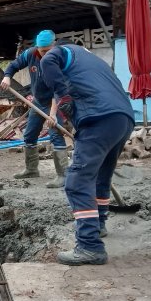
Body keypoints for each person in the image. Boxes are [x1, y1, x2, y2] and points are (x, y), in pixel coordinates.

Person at [38, 41, 134, 266]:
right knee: (101, 177)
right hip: (123, 118)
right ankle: (98, 224)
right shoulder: (93, 62)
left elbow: (47, 60)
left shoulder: (61, 52)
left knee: (77, 182)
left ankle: (89, 246)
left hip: (98, 118)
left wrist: (63, 97)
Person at [0, 30, 68, 187]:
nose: (44, 55)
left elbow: (59, 90)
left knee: (55, 133)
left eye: (47, 51)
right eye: (41, 51)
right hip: (38, 101)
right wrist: (7, 75)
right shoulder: (30, 54)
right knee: (29, 135)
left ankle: (63, 175)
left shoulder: (59, 58)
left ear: (53, 46)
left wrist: (53, 115)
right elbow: (14, 65)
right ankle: (31, 169)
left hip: (55, 100)